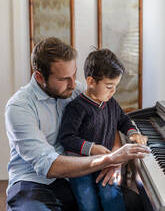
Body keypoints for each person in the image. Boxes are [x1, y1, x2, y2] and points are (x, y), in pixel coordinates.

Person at [5, 37, 150, 211]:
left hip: (77, 176)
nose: (73, 84)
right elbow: (49, 166)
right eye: (64, 79)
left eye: (74, 74)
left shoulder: (78, 92)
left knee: (137, 204)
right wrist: (107, 159)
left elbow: (110, 120)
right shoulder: (19, 107)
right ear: (39, 77)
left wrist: (115, 160)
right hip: (33, 182)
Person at [59, 48, 148, 211]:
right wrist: (92, 149)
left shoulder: (111, 103)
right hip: (80, 167)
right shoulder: (76, 108)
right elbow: (66, 137)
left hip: (105, 162)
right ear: (91, 82)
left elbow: (123, 119)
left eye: (115, 86)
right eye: (109, 86)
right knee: (88, 203)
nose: (113, 91)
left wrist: (133, 132)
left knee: (111, 196)